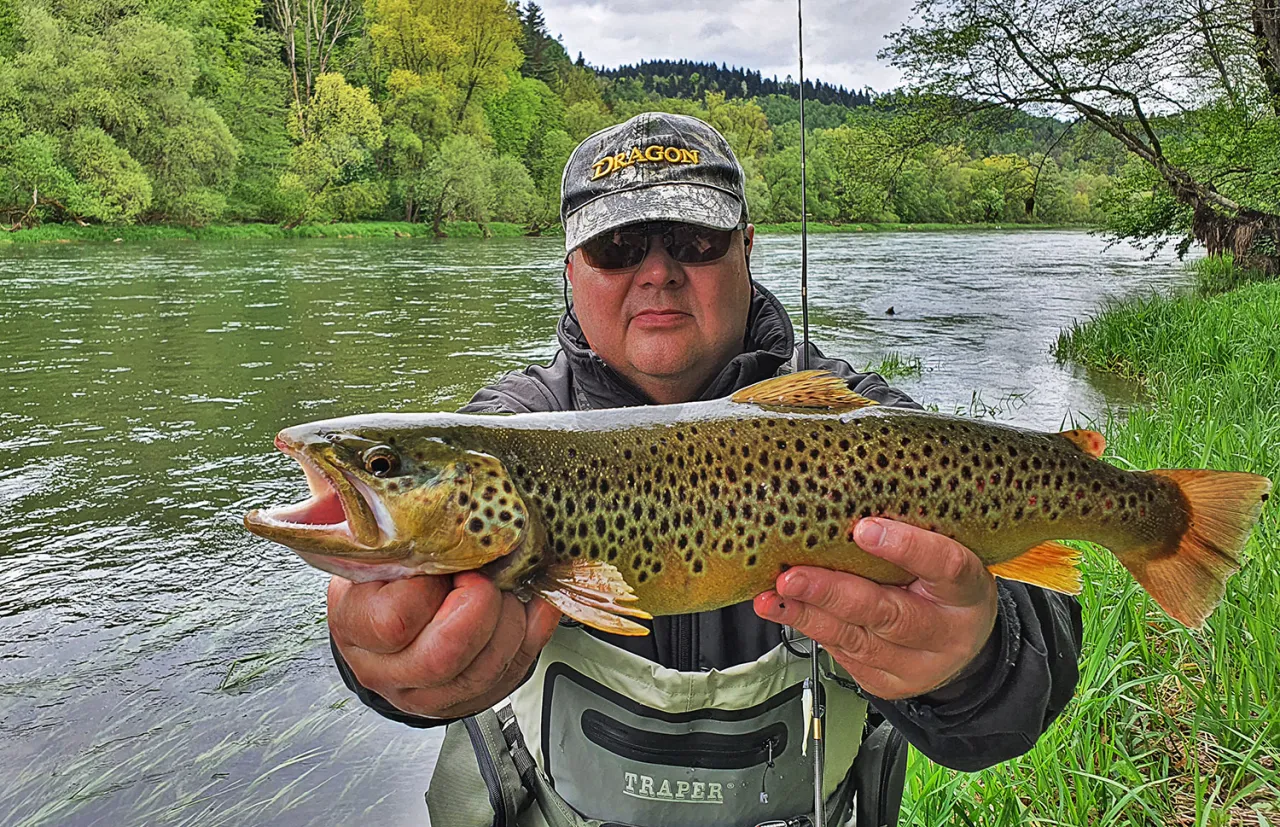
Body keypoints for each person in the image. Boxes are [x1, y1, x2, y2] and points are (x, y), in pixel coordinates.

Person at [327, 113, 1084, 826]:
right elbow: (396, 589)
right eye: (617, 247)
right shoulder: (509, 433)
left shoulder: (855, 422)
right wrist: (380, 657)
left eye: (693, 240)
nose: (657, 272)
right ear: (570, 271)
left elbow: (1029, 664)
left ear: (746, 248)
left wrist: (977, 658)